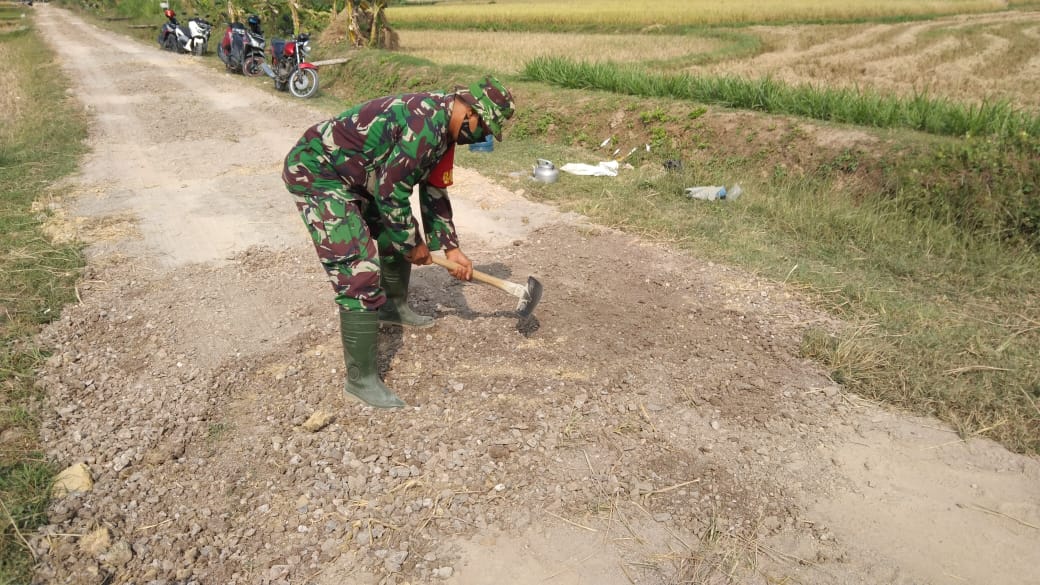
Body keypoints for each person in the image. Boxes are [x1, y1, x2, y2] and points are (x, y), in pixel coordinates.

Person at [282, 76, 516, 409]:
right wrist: (413, 244)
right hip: (319, 173)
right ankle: (360, 381)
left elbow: (434, 188)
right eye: (485, 129)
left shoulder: (444, 131)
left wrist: (450, 247)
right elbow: (391, 194)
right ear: (471, 114)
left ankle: (392, 308)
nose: (481, 137)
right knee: (358, 270)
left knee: (395, 237)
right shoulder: (424, 125)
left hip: (362, 177)